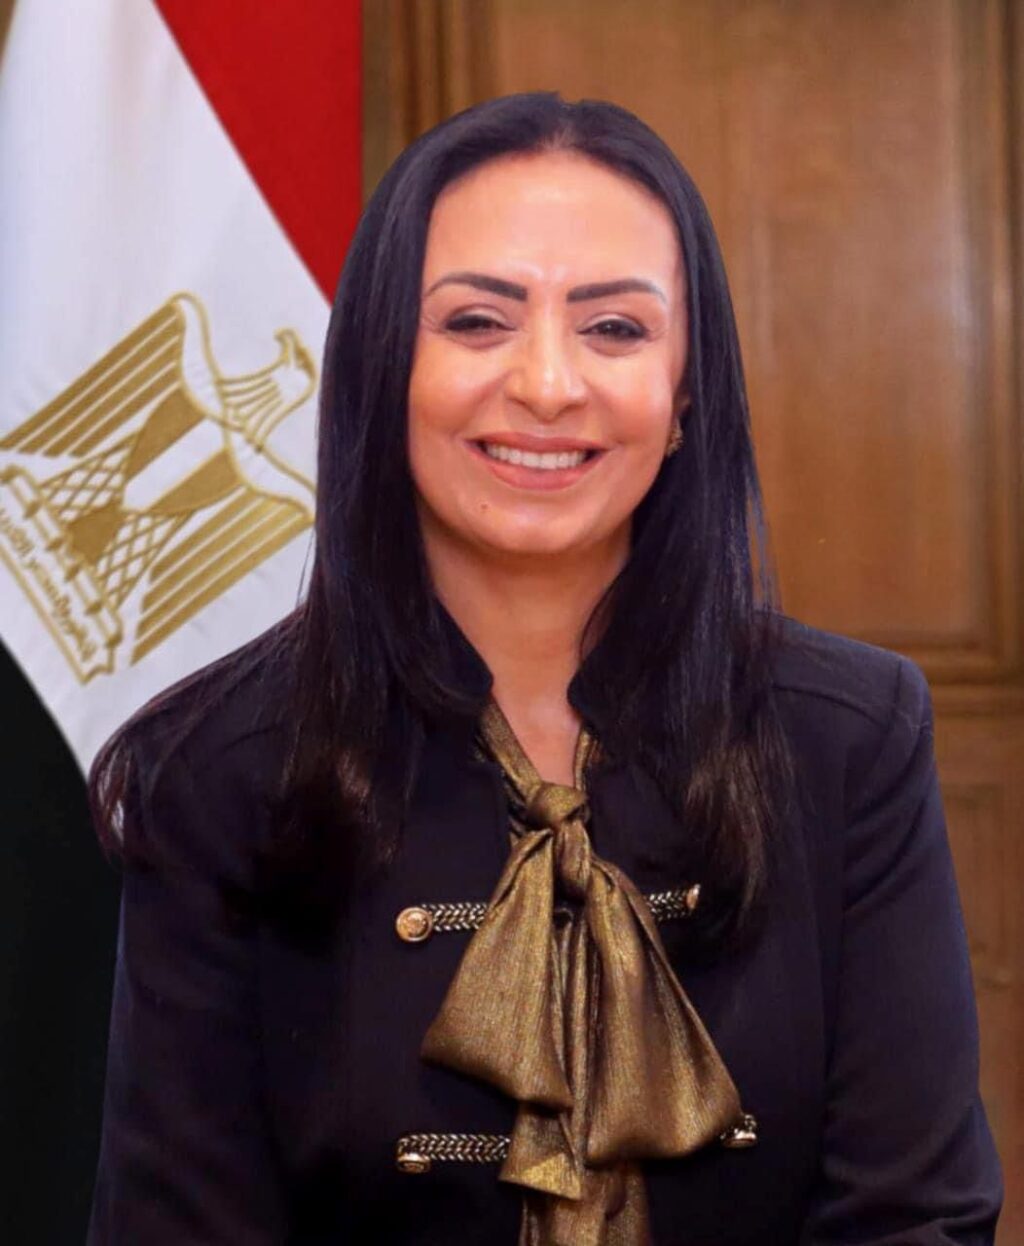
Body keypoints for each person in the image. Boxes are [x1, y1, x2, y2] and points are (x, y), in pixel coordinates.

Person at [86, 92, 1002, 1245]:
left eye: (614, 328)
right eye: (477, 321)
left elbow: (915, 1217)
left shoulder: (849, 735)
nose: (549, 383)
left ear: (684, 391)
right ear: (381, 366)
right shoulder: (216, 768)